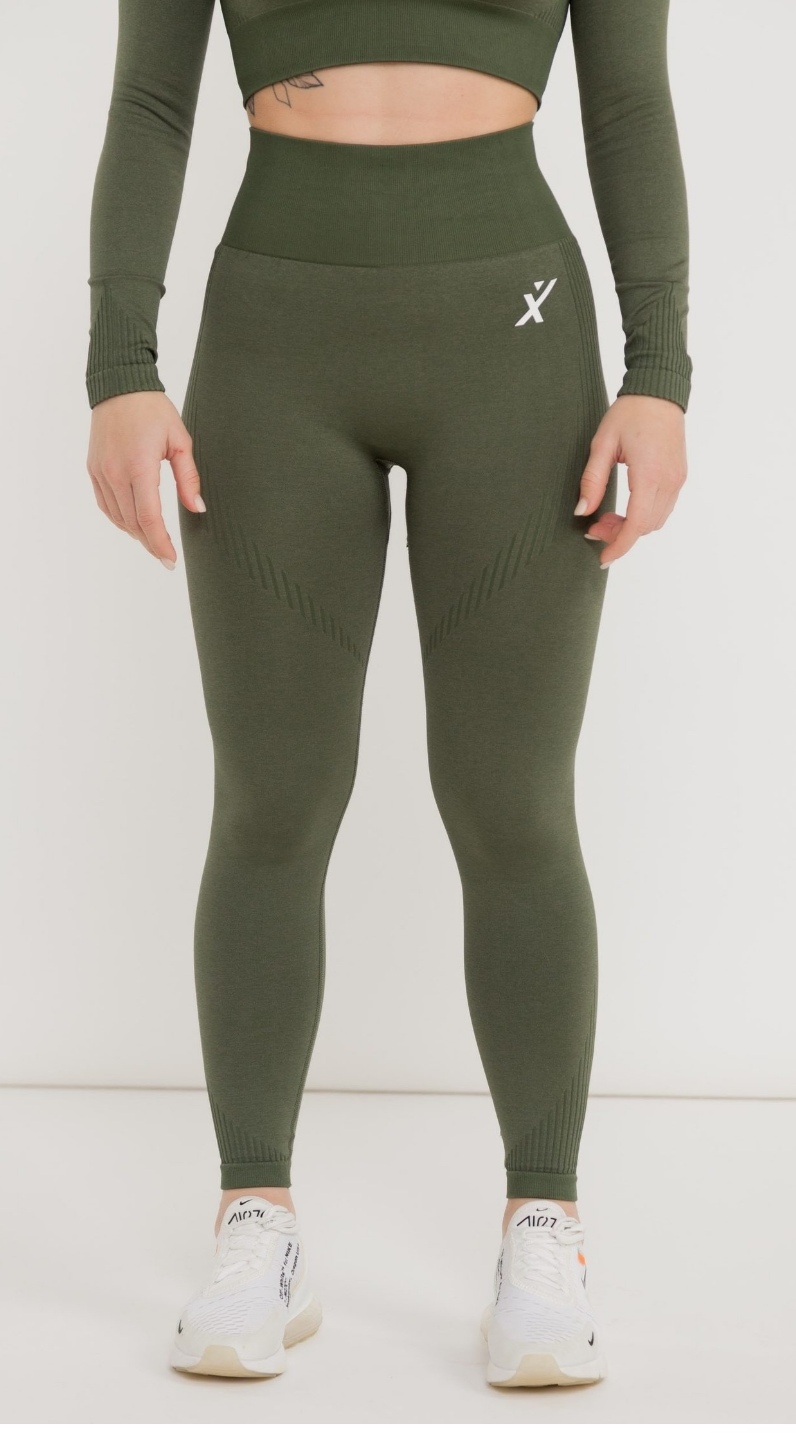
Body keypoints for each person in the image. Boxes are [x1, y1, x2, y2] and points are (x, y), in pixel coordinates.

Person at [84, 0, 690, 1388]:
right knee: (271, 799)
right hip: (275, 340)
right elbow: (151, 102)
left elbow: (629, 105)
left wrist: (661, 374)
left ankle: (545, 1226)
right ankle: (256, 1220)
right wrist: (120, 366)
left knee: (513, 801)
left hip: (513, 331)